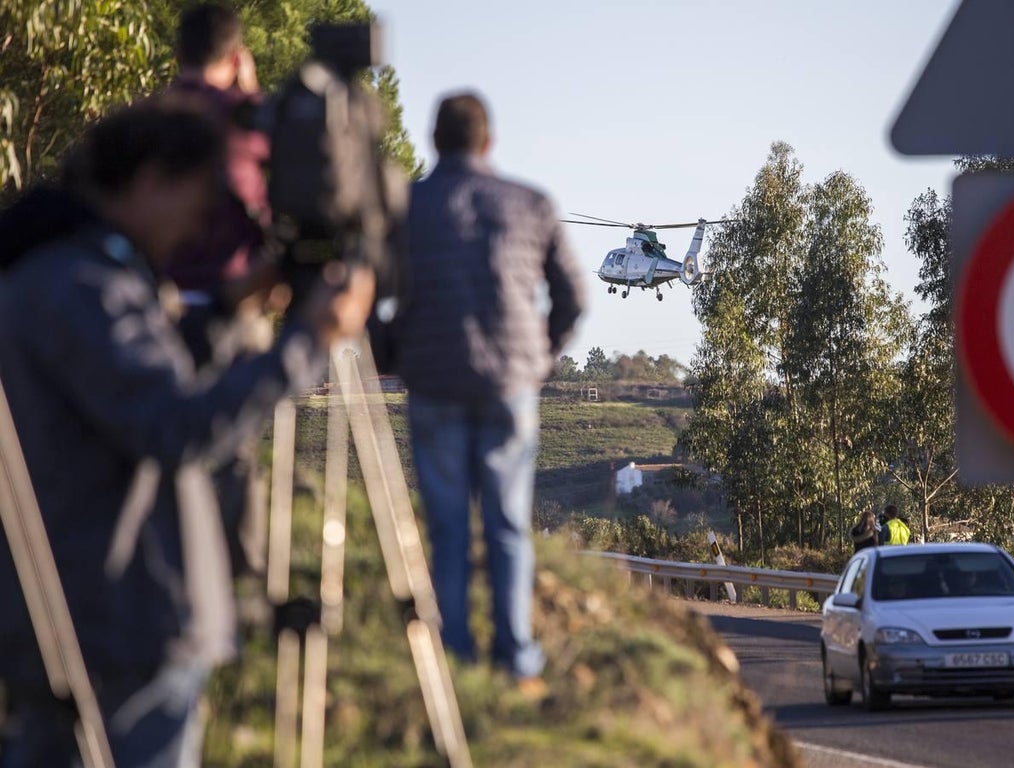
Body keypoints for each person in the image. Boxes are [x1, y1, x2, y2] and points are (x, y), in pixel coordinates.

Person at [0, 100, 375, 767]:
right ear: (148, 180)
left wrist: (232, 306)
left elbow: (127, 388)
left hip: (83, 611)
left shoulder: (59, 268)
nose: (203, 226)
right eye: (200, 201)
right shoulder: (81, 283)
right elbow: (173, 426)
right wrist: (308, 342)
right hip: (121, 622)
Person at [388, 91, 585, 687]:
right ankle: (516, 655)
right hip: (509, 384)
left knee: (448, 525)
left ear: (433, 141)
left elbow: (371, 292)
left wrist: (395, 355)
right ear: (488, 142)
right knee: (506, 521)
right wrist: (539, 360)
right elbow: (573, 298)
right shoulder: (532, 203)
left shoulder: (406, 207)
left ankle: (455, 654)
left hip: (435, 383)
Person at [165, 3, 280, 576]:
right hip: (236, 303)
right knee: (233, 449)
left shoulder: (145, 118)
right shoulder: (251, 120)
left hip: (152, 309)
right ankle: (234, 573)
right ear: (237, 58)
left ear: (177, 54)